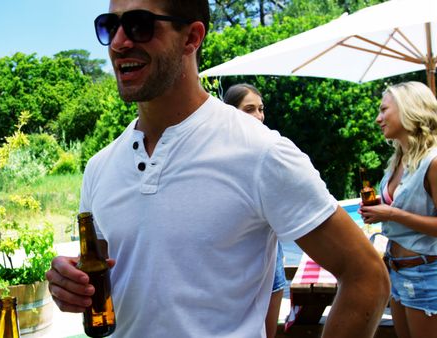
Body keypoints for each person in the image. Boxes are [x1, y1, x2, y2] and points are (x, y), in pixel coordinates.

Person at [46, 0, 390, 336]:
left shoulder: (260, 153)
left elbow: (366, 276)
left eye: (140, 25)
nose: (120, 42)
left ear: (192, 38)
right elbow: (102, 276)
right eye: (110, 26)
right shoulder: (99, 167)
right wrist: (70, 286)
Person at [359, 81, 437, 338]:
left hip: (427, 273)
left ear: (408, 109)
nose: (378, 118)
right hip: (397, 269)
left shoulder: (433, 162)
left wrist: (390, 213)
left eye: (383, 110)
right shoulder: (399, 159)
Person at [223, 83, 285, 338]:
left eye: (261, 109)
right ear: (231, 113)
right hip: (235, 273)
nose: (259, 116)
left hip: (273, 261)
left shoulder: (271, 152)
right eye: (249, 109)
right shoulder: (219, 159)